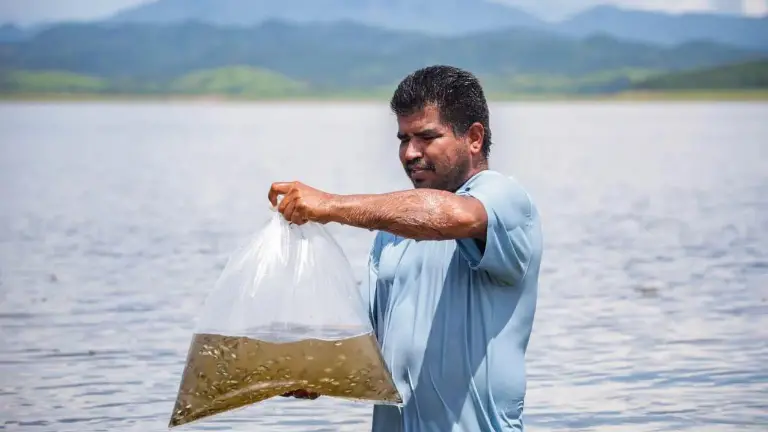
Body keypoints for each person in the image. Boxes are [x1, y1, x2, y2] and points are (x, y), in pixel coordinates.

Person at [270, 65, 543, 432]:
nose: (409, 153)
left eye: (426, 137)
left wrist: (330, 205)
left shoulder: (505, 200)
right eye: (403, 139)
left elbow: (453, 217)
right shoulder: (393, 233)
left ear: (474, 138)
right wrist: (309, 366)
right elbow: (365, 347)